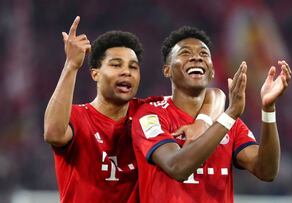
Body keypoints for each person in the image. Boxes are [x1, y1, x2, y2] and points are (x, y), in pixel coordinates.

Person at [43, 17, 225, 203]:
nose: (126, 72)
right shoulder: (78, 116)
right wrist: (71, 65)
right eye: (116, 65)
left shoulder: (147, 112)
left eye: (133, 67)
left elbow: (215, 95)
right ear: (95, 73)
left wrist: (204, 121)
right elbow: (53, 134)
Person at [131, 26, 292, 202]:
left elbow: (267, 171)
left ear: (212, 71)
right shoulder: (150, 115)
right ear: (167, 70)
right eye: (185, 53)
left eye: (204, 54)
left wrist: (268, 110)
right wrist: (229, 115)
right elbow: (176, 166)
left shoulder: (228, 122)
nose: (196, 57)